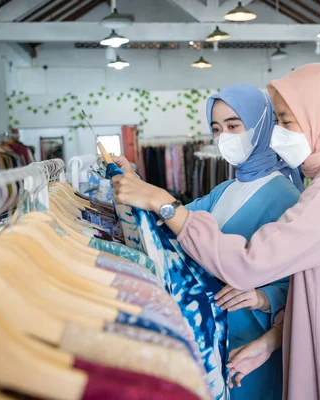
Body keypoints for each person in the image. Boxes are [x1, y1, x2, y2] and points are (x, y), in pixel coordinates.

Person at [112, 64, 320, 399]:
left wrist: (166, 203)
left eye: (286, 121)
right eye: (279, 120)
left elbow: (249, 262)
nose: (278, 130)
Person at [115, 83, 301, 400]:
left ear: (260, 125)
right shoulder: (226, 189)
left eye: (233, 125)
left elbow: (302, 280)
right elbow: (176, 221)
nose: (223, 136)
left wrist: (263, 298)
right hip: (215, 334)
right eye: (216, 128)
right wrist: (136, 185)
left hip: (254, 343)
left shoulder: (285, 195)